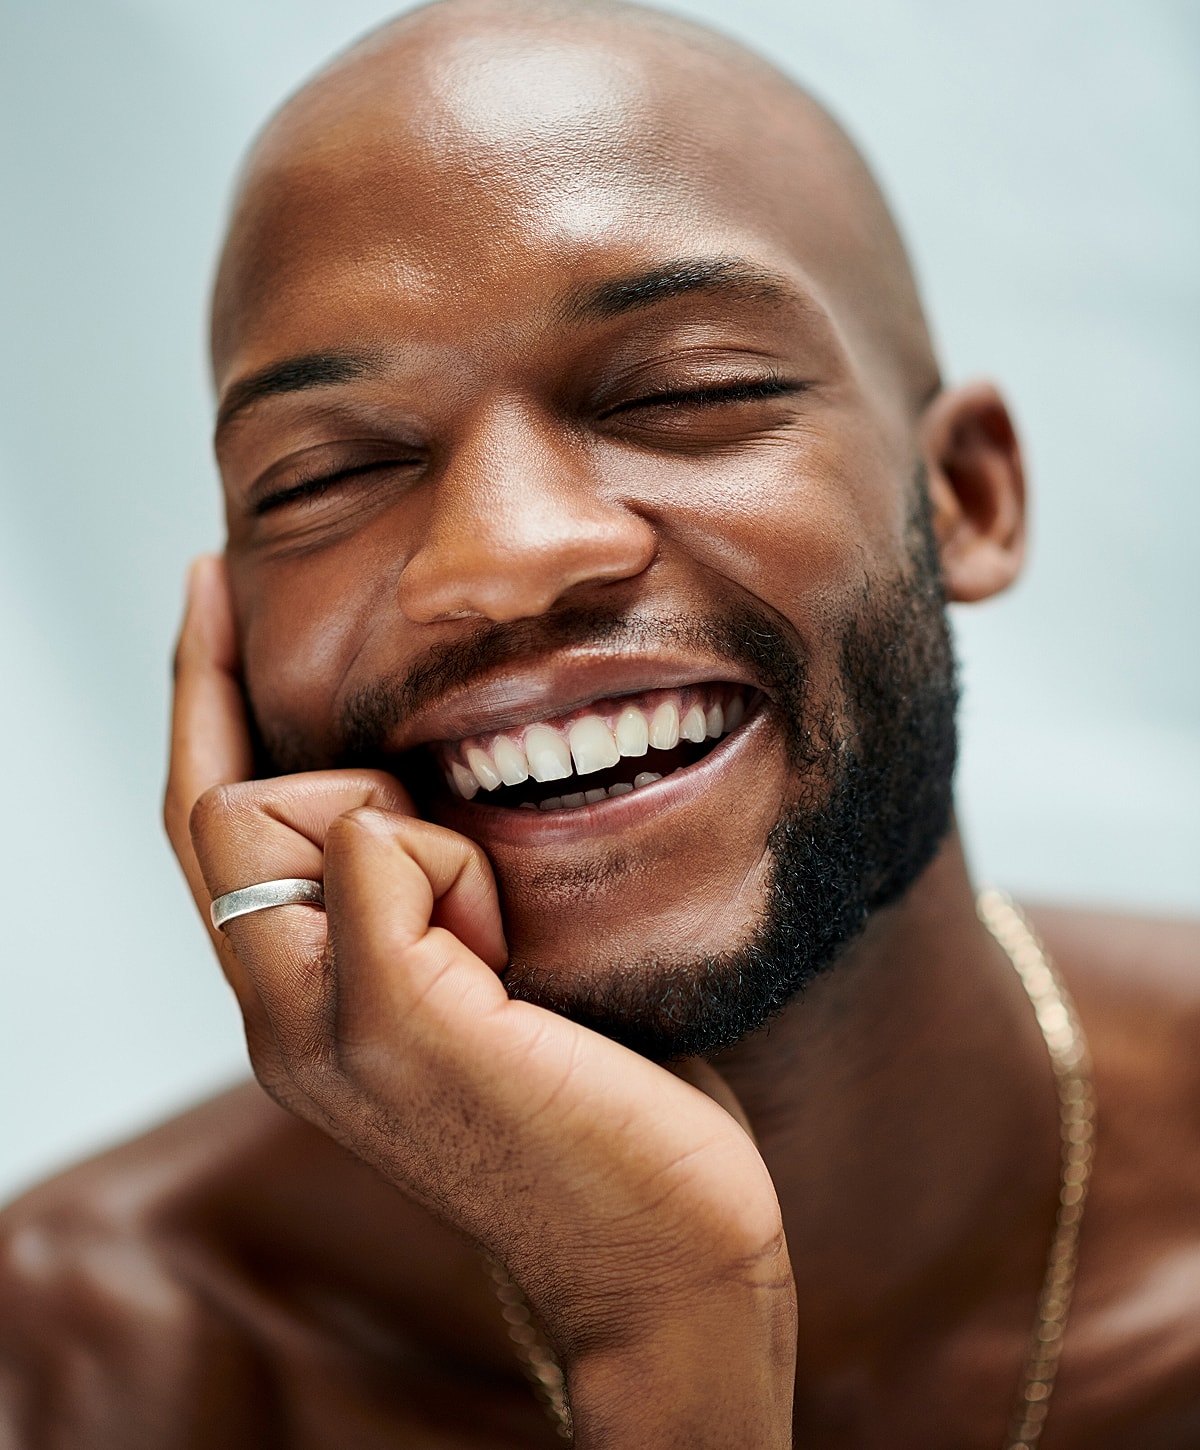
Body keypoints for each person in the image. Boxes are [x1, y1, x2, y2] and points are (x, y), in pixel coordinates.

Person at [2, 0, 1198, 1444]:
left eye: (686, 389)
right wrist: (670, 1322)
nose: (497, 555)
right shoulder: (87, 1370)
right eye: (328, 474)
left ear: (968, 499)